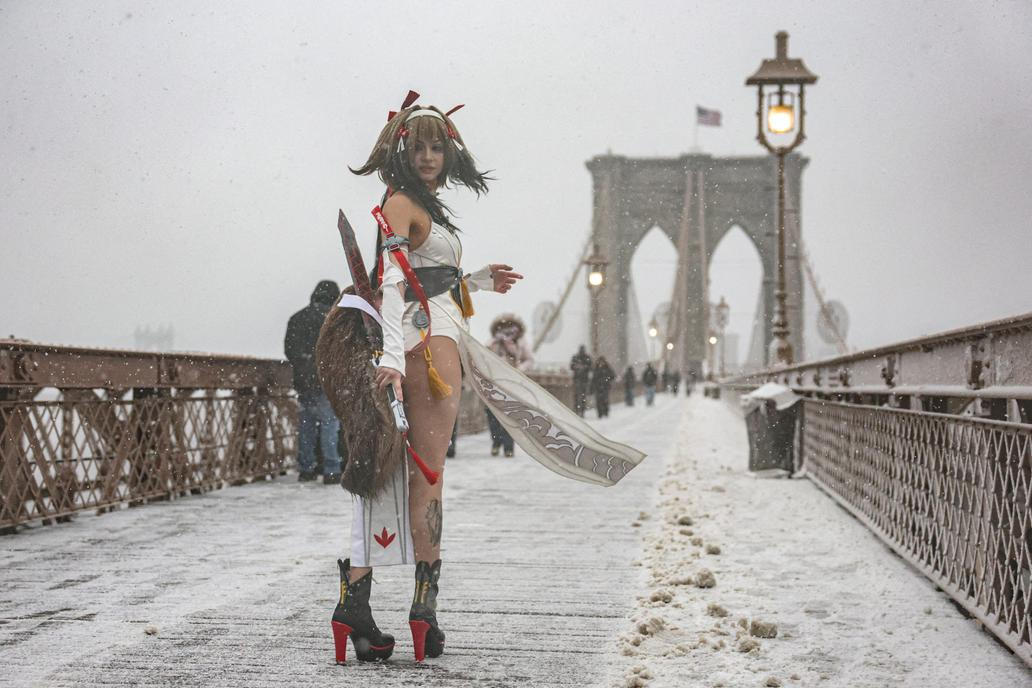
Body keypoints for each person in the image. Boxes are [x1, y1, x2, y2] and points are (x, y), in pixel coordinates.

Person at [331, 98, 523, 664]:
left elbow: (427, 283)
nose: (430, 156)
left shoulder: (415, 206)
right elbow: (391, 287)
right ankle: (422, 613)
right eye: (418, 147)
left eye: (437, 146)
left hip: (424, 336)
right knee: (426, 478)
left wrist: (480, 281)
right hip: (428, 350)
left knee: (385, 468)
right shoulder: (401, 202)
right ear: (401, 152)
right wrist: (392, 358)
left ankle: (356, 607)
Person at [284, 280, 342, 484]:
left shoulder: (297, 318)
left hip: (303, 381)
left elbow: (290, 351)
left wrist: (304, 365)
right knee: (329, 425)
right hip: (327, 380)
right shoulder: (334, 319)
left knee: (307, 426)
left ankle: (306, 469)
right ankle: (331, 469)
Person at [484, 314, 533, 457]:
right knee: (492, 415)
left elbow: (529, 360)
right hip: (493, 384)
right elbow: (484, 358)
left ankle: (508, 447)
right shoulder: (493, 342)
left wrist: (518, 370)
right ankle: (496, 442)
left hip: (512, 385)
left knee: (510, 416)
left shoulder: (520, 343)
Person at [570, 345, 592, 416]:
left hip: (580, 379)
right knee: (581, 396)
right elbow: (572, 366)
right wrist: (580, 367)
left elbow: (590, 367)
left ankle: (579, 410)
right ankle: (580, 411)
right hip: (581, 379)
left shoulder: (576, 357)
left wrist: (582, 367)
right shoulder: (586, 358)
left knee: (579, 396)